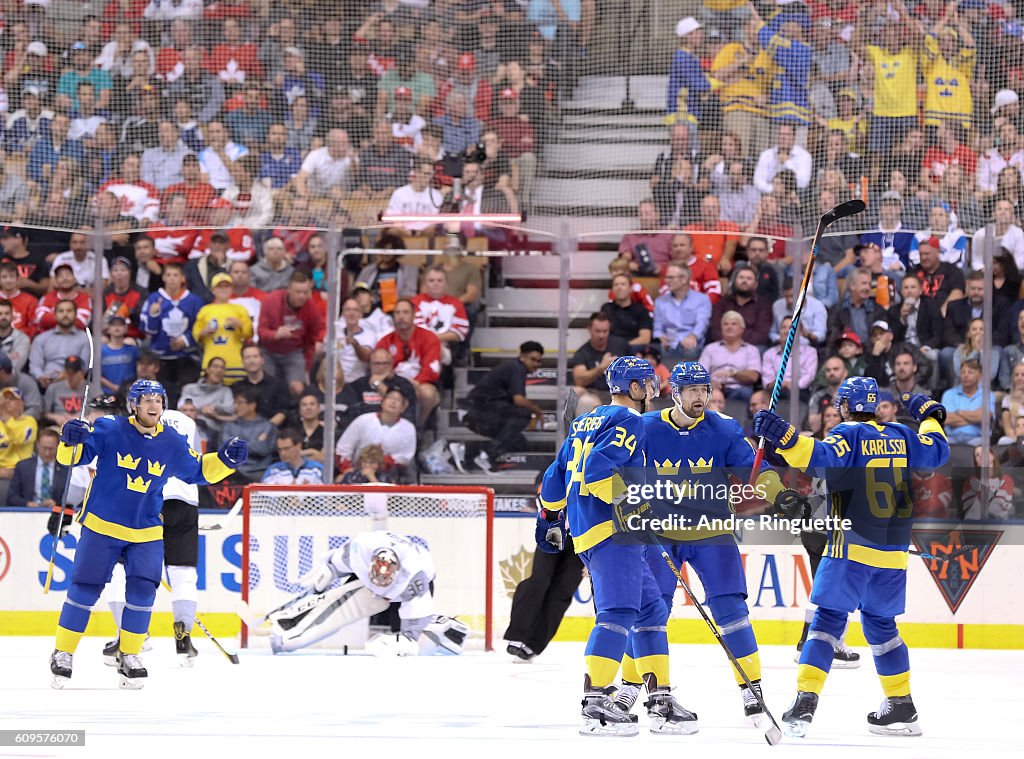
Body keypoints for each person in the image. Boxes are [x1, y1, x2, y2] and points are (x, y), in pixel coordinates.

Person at [753, 376, 949, 737]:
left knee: (826, 623)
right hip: (893, 553)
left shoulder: (847, 434)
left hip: (850, 547)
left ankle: (805, 703)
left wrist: (785, 436)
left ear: (843, 405)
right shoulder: (900, 434)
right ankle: (901, 704)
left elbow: (818, 460)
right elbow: (937, 451)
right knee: (882, 627)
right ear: (874, 406)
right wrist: (932, 415)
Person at [625, 361, 806, 725]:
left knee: (733, 613)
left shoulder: (724, 428)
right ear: (674, 393)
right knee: (650, 614)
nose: (701, 397)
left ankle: (751, 691)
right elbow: (618, 469)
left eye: (705, 390)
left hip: (712, 532)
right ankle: (636, 687)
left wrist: (781, 495)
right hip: (659, 534)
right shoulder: (643, 427)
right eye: (692, 390)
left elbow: (753, 471)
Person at [50, 379, 246, 688]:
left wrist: (225, 461)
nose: (153, 404)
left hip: (146, 530)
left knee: (143, 593)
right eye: (147, 399)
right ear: (133, 405)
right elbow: (74, 458)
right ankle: (63, 653)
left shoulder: (172, 440)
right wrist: (68, 441)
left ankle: (129, 654)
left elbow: (198, 471)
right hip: (102, 525)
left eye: (158, 399)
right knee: (85, 588)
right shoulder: (109, 428)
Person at [538, 356, 697, 736]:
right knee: (619, 610)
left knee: (650, 611)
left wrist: (550, 518)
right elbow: (597, 473)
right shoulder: (628, 420)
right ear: (635, 388)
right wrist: (634, 504)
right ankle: (596, 703)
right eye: (648, 384)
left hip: (595, 528)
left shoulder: (584, 420)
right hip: (612, 528)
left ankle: (659, 699)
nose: (653, 392)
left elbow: (554, 476)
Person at [268, 531, 468, 657]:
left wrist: (406, 640)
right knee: (336, 608)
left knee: (412, 646)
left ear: (397, 571)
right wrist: (318, 589)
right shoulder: (360, 549)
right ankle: (290, 631)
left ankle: (449, 629)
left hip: (404, 596)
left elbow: (412, 630)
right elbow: (332, 566)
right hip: (368, 587)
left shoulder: (415, 578)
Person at [504, 471, 586, 662]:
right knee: (540, 580)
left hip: (584, 540)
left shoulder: (602, 467)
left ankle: (534, 644)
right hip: (555, 531)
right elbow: (544, 494)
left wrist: (594, 556)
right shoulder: (559, 467)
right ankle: (518, 633)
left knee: (562, 591)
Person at [451, 341, 545, 474]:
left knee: (518, 441)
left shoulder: (515, 368)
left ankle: (468, 450)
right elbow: (518, 400)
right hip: (474, 411)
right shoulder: (516, 368)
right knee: (523, 414)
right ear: (522, 357)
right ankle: (487, 454)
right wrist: (537, 411)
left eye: (539, 361)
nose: (536, 364)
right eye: (533, 360)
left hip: (485, 412)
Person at [139, 263, 204, 408]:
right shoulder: (154, 299)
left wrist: (186, 340)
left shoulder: (194, 301)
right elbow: (146, 329)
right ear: (163, 278)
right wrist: (153, 315)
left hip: (186, 358)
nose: (172, 279)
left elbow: (200, 327)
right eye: (168, 275)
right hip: (161, 358)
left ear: (182, 278)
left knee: (185, 395)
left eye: (175, 275)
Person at [376, 299, 442, 428]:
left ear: (413, 315)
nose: (401, 317)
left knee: (427, 394)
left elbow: (432, 370)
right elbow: (378, 367)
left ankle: (417, 428)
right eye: (397, 313)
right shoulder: (385, 341)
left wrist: (413, 384)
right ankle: (385, 427)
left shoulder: (429, 338)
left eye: (405, 312)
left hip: (420, 383)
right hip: (392, 384)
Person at [258, 271, 324, 397]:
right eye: (298, 292)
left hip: (293, 352)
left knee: (298, 388)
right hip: (268, 350)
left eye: (305, 292)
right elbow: (261, 331)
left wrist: (306, 367)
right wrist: (275, 334)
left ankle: (296, 414)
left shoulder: (312, 310)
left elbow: (310, 341)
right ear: (289, 289)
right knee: (268, 387)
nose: (302, 296)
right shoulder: (270, 301)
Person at [334, 388, 417, 480]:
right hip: (358, 471)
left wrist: (379, 463)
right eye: (390, 398)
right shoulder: (363, 420)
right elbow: (344, 447)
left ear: (403, 407)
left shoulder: (408, 428)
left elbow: (405, 457)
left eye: (398, 400)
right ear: (382, 402)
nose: (393, 402)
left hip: (390, 475)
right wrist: (347, 468)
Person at [192, 273, 253, 384]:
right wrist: (203, 332)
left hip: (235, 363)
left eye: (227, 286)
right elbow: (196, 335)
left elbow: (249, 333)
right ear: (213, 290)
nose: (223, 290)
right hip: (211, 362)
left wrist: (240, 325)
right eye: (219, 286)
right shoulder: (205, 310)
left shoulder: (240, 309)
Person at [652, 264, 712, 368]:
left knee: (691, 350)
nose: (666, 281)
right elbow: (657, 327)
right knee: (655, 351)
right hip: (668, 345)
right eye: (666, 277)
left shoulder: (702, 299)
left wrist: (693, 336)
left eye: (670, 277)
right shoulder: (660, 301)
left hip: (690, 344)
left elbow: (702, 322)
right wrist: (660, 337)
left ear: (684, 279)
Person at [220, 385, 277, 479]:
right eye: (235, 403)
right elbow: (225, 450)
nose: (235, 406)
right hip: (234, 473)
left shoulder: (267, 426)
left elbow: (263, 449)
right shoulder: (228, 426)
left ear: (252, 406)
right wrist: (254, 443)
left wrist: (237, 444)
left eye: (240, 403)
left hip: (259, 472)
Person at [7, 427, 66, 508]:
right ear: (37, 445)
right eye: (44, 448)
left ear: (58, 447)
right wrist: (28, 504)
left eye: (51, 449)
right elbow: (12, 497)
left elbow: (71, 498)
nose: (47, 453)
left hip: (55, 513)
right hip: (27, 513)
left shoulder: (65, 469)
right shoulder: (22, 467)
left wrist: (56, 504)